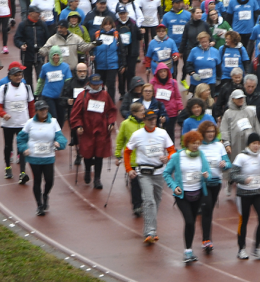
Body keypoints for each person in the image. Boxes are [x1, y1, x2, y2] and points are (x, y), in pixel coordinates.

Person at [123, 108, 176, 245]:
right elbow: (127, 152)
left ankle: (150, 227)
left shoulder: (162, 133)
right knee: (149, 201)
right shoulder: (137, 135)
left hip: (159, 173)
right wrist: (129, 169)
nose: (152, 121)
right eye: (150, 119)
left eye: (154, 119)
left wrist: (168, 157)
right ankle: (150, 232)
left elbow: (172, 150)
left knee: (156, 202)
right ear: (144, 120)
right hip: (143, 173)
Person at [162, 129, 214, 264]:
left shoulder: (201, 155)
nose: (196, 145)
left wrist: (207, 176)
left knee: (192, 222)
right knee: (190, 221)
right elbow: (166, 173)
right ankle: (187, 251)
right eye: (193, 143)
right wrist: (174, 187)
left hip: (198, 193)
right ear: (187, 143)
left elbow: (208, 172)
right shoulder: (177, 157)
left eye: (198, 143)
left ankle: (189, 250)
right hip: (182, 195)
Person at [17, 99, 67, 215]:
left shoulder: (53, 122)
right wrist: (24, 148)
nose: (44, 111)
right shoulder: (30, 123)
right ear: (36, 111)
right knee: (37, 180)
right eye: (41, 110)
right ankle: (39, 205)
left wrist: (59, 143)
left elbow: (61, 137)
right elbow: (20, 139)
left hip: (48, 157)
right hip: (34, 157)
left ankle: (45, 195)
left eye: (45, 109)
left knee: (50, 180)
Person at [230, 132, 260, 260]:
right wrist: (244, 179)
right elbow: (233, 175)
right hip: (244, 194)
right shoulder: (241, 157)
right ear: (249, 144)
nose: (256, 146)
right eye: (254, 143)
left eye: (258, 143)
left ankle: (257, 248)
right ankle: (242, 249)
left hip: (259, 192)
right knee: (244, 221)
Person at [69, 73, 117, 189]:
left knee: (99, 154)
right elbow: (76, 113)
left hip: (101, 129)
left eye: (98, 84)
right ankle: (87, 170)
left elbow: (111, 110)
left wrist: (111, 122)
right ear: (89, 83)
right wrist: (79, 125)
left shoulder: (105, 95)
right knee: (87, 152)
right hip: (87, 129)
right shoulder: (83, 95)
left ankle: (97, 178)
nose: (96, 87)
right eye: (94, 85)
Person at [0, 65, 35, 182]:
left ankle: (22, 172)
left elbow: (31, 105)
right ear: (10, 77)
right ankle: (8, 167)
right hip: (8, 124)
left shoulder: (27, 88)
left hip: (23, 123)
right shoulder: (4, 88)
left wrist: (32, 120)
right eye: (16, 75)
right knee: (8, 146)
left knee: (22, 147)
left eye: (20, 75)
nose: (18, 78)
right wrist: (3, 114)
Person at [197, 121, 230, 254]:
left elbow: (228, 162)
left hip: (216, 183)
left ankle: (206, 238)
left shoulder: (219, 145)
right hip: (203, 183)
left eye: (212, 132)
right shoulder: (198, 146)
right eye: (208, 132)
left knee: (209, 209)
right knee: (207, 208)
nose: (210, 134)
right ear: (203, 133)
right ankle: (206, 239)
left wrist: (225, 164)